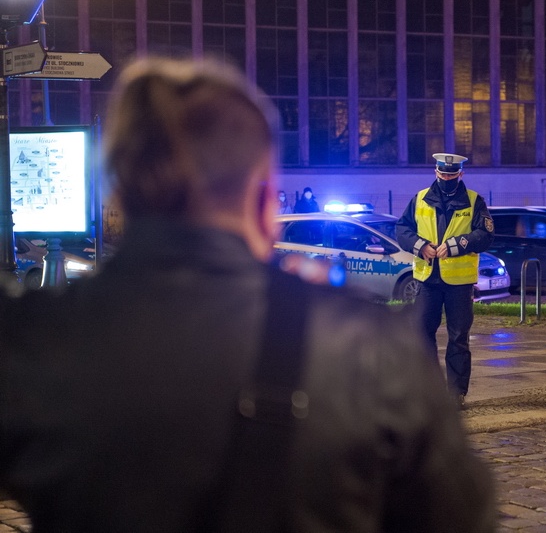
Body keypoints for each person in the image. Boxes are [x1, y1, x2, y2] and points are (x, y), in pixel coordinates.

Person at [0, 58, 495, 532]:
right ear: (264, 201)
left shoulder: (36, 341)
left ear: (118, 197)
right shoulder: (371, 348)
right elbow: (459, 517)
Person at [395, 153, 495, 409]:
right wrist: (420, 246)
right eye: (443, 174)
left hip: (459, 283)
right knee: (422, 334)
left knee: (458, 337)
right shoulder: (419, 199)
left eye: (452, 175)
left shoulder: (474, 201)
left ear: (460, 174)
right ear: (435, 172)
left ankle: (456, 394)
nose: (447, 178)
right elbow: (402, 229)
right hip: (427, 279)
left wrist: (456, 245)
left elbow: (485, 235)